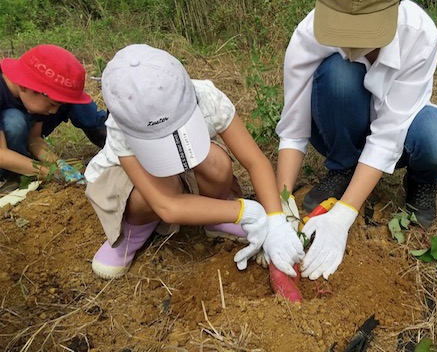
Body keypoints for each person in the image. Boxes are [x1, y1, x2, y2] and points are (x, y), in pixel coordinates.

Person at [276, 0, 437, 280]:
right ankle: (344, 167)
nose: (353, 39)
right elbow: (293, 128)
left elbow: (388, 136)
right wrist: (280, 206)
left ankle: (421, 181)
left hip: (400, 131)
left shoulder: (419, 34)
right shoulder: (309, 32)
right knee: (339, 72)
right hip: (336, 122)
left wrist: (343, 216)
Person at [86, 44, 304, 280]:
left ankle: (215, 217)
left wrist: (275, 220)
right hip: (139, 182)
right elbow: (166, 205)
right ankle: (134, 231)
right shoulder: (122, 128)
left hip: (183, 173)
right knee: (149, 196)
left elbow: (254, 161)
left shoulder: (207, 98)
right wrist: (245, 211)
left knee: (216, 163)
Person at [0, 44, 104, 183]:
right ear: (26, 86)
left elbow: (34, 139)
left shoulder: (34, 92)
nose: (54, 111)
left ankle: (22, 166)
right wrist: (48, 172)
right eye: (52, 104)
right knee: (14, 122)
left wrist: (60, 165)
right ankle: (8, 177)